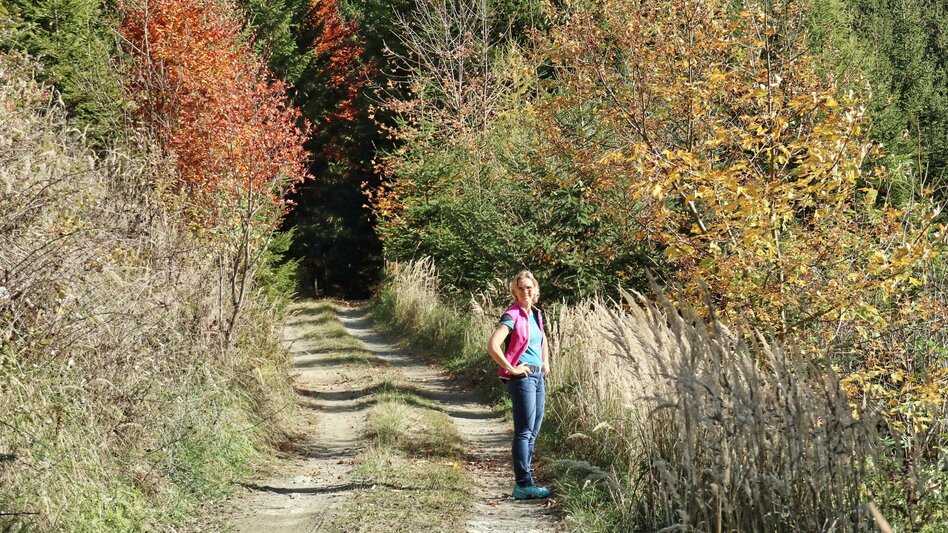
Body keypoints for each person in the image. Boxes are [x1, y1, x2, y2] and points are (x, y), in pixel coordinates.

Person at [487, 270, 551, 500]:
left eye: (529, 287)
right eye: (520, 288)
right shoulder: (512, 315)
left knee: (533, 431)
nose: (525, 291)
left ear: (535, 289)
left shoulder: (535, 314)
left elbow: (542, 340)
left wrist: (546, 362)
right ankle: (523, 484)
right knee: (524, 432)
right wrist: (512, 368)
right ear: (514, 291)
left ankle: (527, 480)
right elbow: (493, 345)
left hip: (537, 376)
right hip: (521, 378)